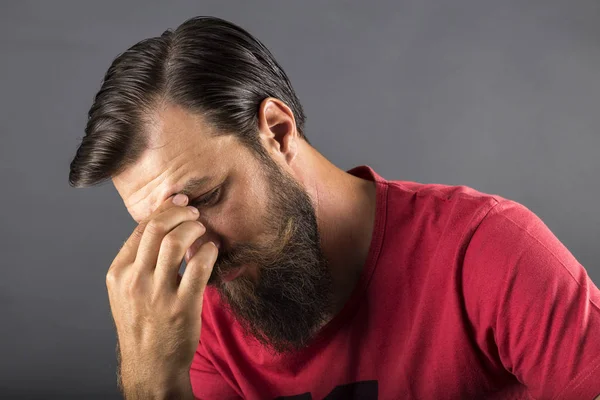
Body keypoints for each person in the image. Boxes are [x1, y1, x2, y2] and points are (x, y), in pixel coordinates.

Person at [68, 16, 600, 400]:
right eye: (162, 228)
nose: (198, 255)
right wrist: (152, 381)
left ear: (276, 131)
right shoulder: (201, 322)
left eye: (206, 198)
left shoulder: (485, 248)